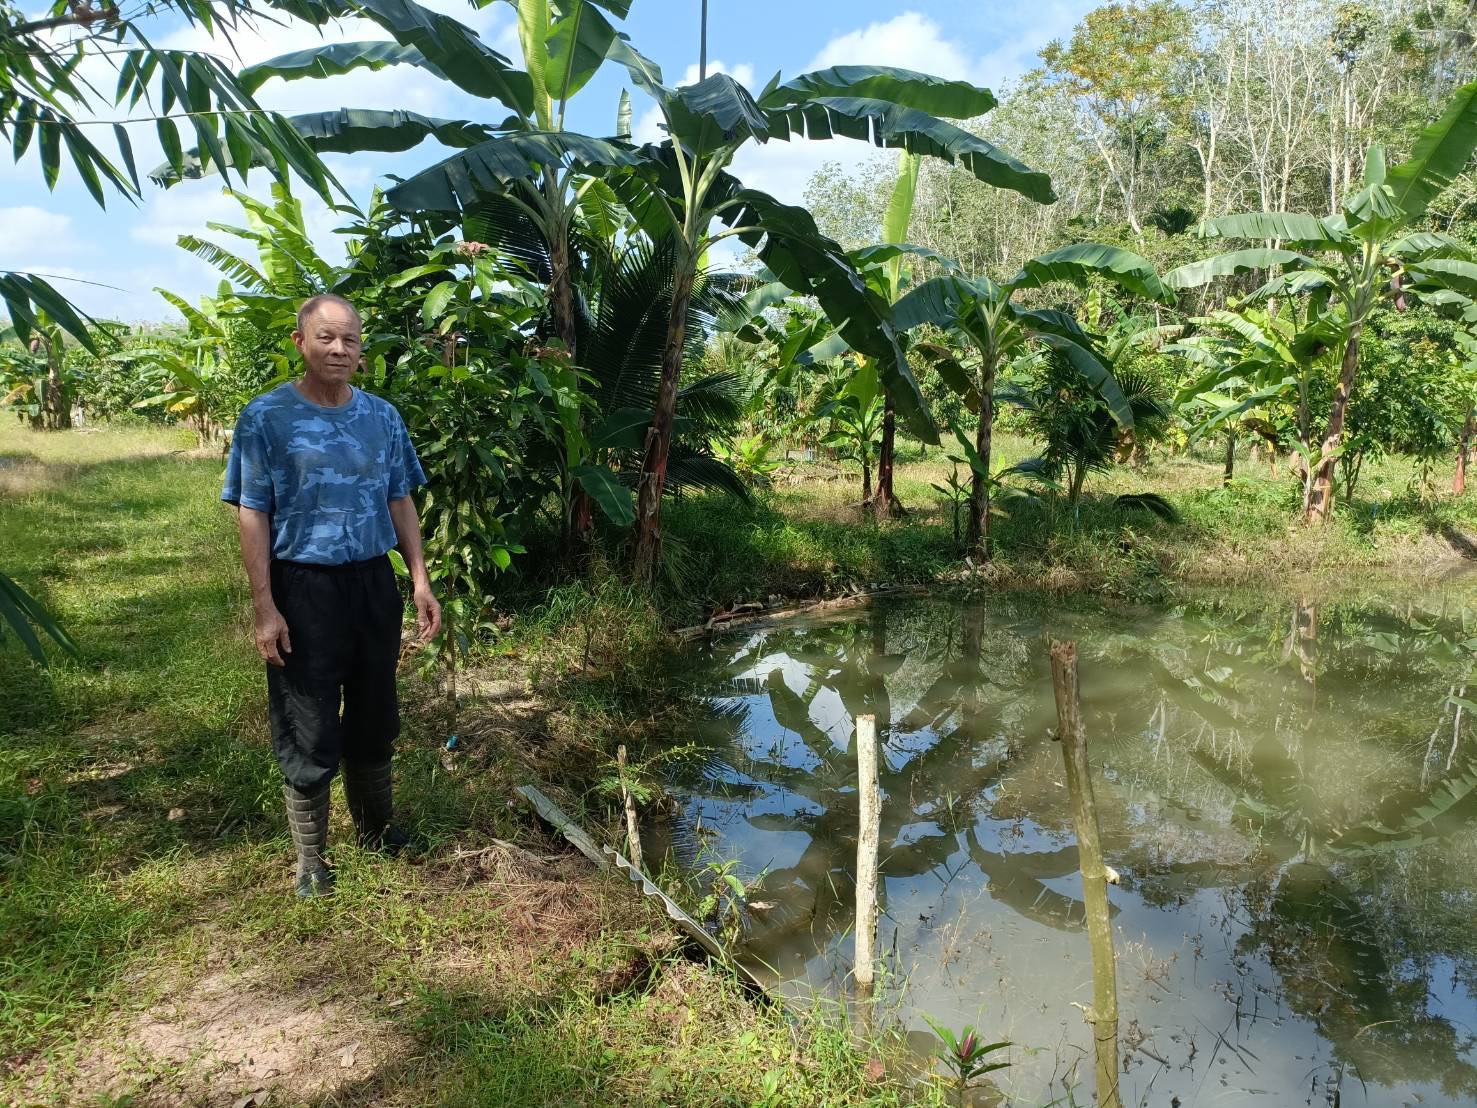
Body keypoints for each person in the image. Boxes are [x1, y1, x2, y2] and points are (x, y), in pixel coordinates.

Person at [222, 294, 441, 897]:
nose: (340, 349)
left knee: (375, 711)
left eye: (350, 339)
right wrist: (265, 607)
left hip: (371, 582)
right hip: (303, 586)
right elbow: (252, 512)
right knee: (309, 720)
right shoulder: (266, 418)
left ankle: (378, 830)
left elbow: (400, 497)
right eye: (326, 338)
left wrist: (420, 580)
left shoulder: (382, 417)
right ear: (301, 343)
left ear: (361, 349)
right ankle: (311, 860)